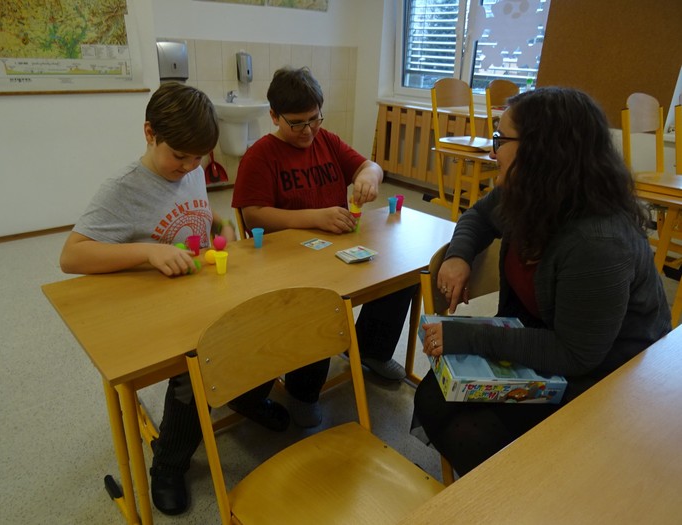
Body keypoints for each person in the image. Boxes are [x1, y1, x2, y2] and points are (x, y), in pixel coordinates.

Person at [413, 87, 671, 478]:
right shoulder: (531, 191)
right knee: (433, 396)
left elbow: (576, 355)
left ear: (541, 151)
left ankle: (530, 494)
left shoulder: (597, 242)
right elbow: (478, 216)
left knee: (474, 433)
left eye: (500, 140)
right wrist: (458, 256)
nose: (492, 152)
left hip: (611, 378)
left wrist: (470, 336)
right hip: (544, 337)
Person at [59, 82, 236, 516]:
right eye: (179, 156)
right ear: (149, 133)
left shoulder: (191, 168)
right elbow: (71, 256)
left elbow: (195, 208)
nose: (189, 167)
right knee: (195, 372)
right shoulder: (124, 189)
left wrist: (219, 224)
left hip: (197, 296)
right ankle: (169, 465)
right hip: (157, 316)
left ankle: (246, 397)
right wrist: (146, 251)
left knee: (252, 327)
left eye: (198, 158)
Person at [230, 66, 415, 429]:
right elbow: (253, 215)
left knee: (401, 273)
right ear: (274, 116)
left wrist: (368, 177)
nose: (308, 131)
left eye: (314, 119)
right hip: (288, 260)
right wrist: (315, 217)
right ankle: (303, 391)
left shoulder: (326, 141)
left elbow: (370, 166)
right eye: (297, 123)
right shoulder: (261, 154)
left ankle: (371, 350)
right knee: (319, 303)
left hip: (337, 251)